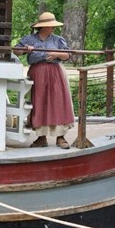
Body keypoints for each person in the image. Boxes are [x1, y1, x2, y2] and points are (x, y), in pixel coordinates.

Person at [12, 12, 75, 149]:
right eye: (51, 26)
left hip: (55, 72)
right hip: (38, 73)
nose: (53, 28)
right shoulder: (30, 39)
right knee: (40, 102)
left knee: (58, 102)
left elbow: (67, 55)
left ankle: (61, 137)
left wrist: (55, 53)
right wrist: (25, 49)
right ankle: (41, 138)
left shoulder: (58, 40)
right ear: (43, 26)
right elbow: (15, 50)